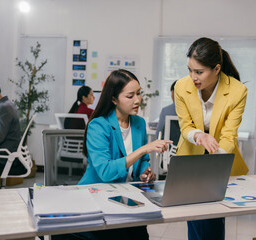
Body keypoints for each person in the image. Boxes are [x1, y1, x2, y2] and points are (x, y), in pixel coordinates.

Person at [53, 69, 172, 240]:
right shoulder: (98, 126)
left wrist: (145, 172)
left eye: (139, 93)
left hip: (128, 201)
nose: (137, 100)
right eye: (130, 96)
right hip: (96, 201)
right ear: (114, 99)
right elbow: (106, 171)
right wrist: (143, 150)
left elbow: (142, 161)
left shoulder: (138, 123)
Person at [174, 37, 249, 240]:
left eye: (199, 72)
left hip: (219, 156)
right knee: (194, 214)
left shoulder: (237, 91)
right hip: (190, 156)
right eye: (190, 70)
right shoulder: (182, 87)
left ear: (217, 69)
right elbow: (185, 126)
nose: (193, 77)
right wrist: (199, 135)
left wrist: (214, 164)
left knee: (213, 215)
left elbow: (229, 135)